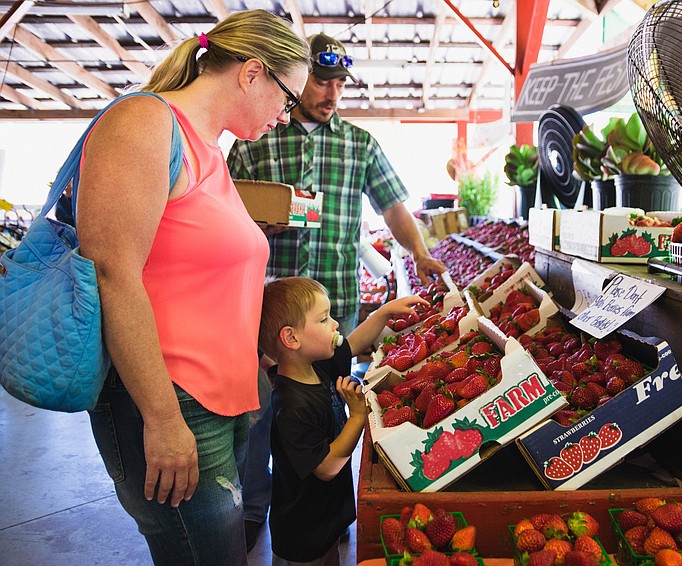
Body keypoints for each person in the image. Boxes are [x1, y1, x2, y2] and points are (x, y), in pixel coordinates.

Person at [75, 10, 310, 566]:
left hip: (215, 400)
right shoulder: (144, 123)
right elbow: (114, 272)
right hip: (170, 398)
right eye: (287, 97)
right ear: (252, 72)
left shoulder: (208, 146)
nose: (286, 115)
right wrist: (160, 419)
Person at [227, 32, 448, 548]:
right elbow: (227, 206)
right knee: (259, 409)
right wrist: (257, 225)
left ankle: (330, 507)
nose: (330, 93)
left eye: (339, 83)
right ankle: (256, 507)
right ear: (300, 79)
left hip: (334, 309)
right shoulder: (256, 136)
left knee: (328, 405)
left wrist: (417, 252)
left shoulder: (360, 144)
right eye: (322, 82)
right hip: (266, 307)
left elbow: (393, 205)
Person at [258, 277, 428, 566]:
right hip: (302, 534)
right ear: (291, 338)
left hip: (325, 517)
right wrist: (358, 417)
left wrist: (384, 313)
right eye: (324, 319)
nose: (335, 324)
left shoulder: (315, 366)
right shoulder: (292, 404)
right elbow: (326, 467)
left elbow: (352, 344)